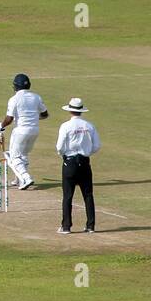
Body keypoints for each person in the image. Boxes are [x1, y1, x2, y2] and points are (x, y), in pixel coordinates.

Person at [56, 96, 101, 234]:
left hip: (69, 162)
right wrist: (86, 153)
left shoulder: (66, 126)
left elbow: (59, 146)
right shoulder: (89, 126)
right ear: (81, 111)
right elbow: (97, 146)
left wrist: (64, 155)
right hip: (85, 162)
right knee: (88, 194)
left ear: (70, 111)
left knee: (68, 195)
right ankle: (90, 225)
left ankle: (66, 226)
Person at [0, 74, 49, 190]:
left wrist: (1, 126)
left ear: (15, 86)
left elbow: (9, 119)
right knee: (23, 154)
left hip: (20, 131)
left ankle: (26, 178)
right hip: (34, 130)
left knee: (14, 157)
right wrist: (33, 118)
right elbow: (45, 115)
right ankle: (18, 179)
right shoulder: (36, 97)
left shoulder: (14, 99)